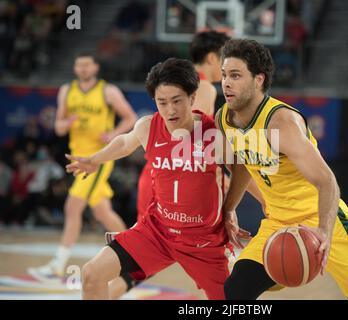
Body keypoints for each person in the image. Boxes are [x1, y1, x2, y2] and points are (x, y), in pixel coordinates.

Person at [217, 39, 348, 300]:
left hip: (321, 221)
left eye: (235, 75)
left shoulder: (281, 122)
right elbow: (243, 162)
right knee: (234, 292)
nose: (226, 83)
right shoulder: (225, 118)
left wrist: (324, 231)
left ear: (258, 80)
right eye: (223, 75)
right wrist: (229, 207)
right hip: (277, 223)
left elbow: (327, 182)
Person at [67, 58, 245, 300]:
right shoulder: (148, 127)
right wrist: (96, 159)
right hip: (157, 232)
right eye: (162, 102)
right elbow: (124, 143)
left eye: (177, 101)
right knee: (91, 274)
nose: (170, 110)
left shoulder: (213, 133)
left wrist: (234, 208)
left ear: (192, 98)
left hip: (203, 242)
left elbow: (243, 170)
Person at [105, 31, 232, 299]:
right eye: (225, 60)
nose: (227, 68)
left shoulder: (177, 84)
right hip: (173, 184)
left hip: (157, 178)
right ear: (212, 58)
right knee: (166, 251)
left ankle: (109, 285)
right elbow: (199, 151)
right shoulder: (204, 89)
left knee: (147, 261)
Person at [28, 52, 137, 280]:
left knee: (72, 207)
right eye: (80, 65)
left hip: (98, 159)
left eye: (87, 65)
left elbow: (130, 118)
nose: (84, 69)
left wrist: (113, 134)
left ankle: (58, 264)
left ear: (95, 67)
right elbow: (58, 128)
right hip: (78, 158)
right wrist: (66, 123)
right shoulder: (67, 91)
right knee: (103, 211)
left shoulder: (108, 91)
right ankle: (135, 255)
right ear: (75, 68)